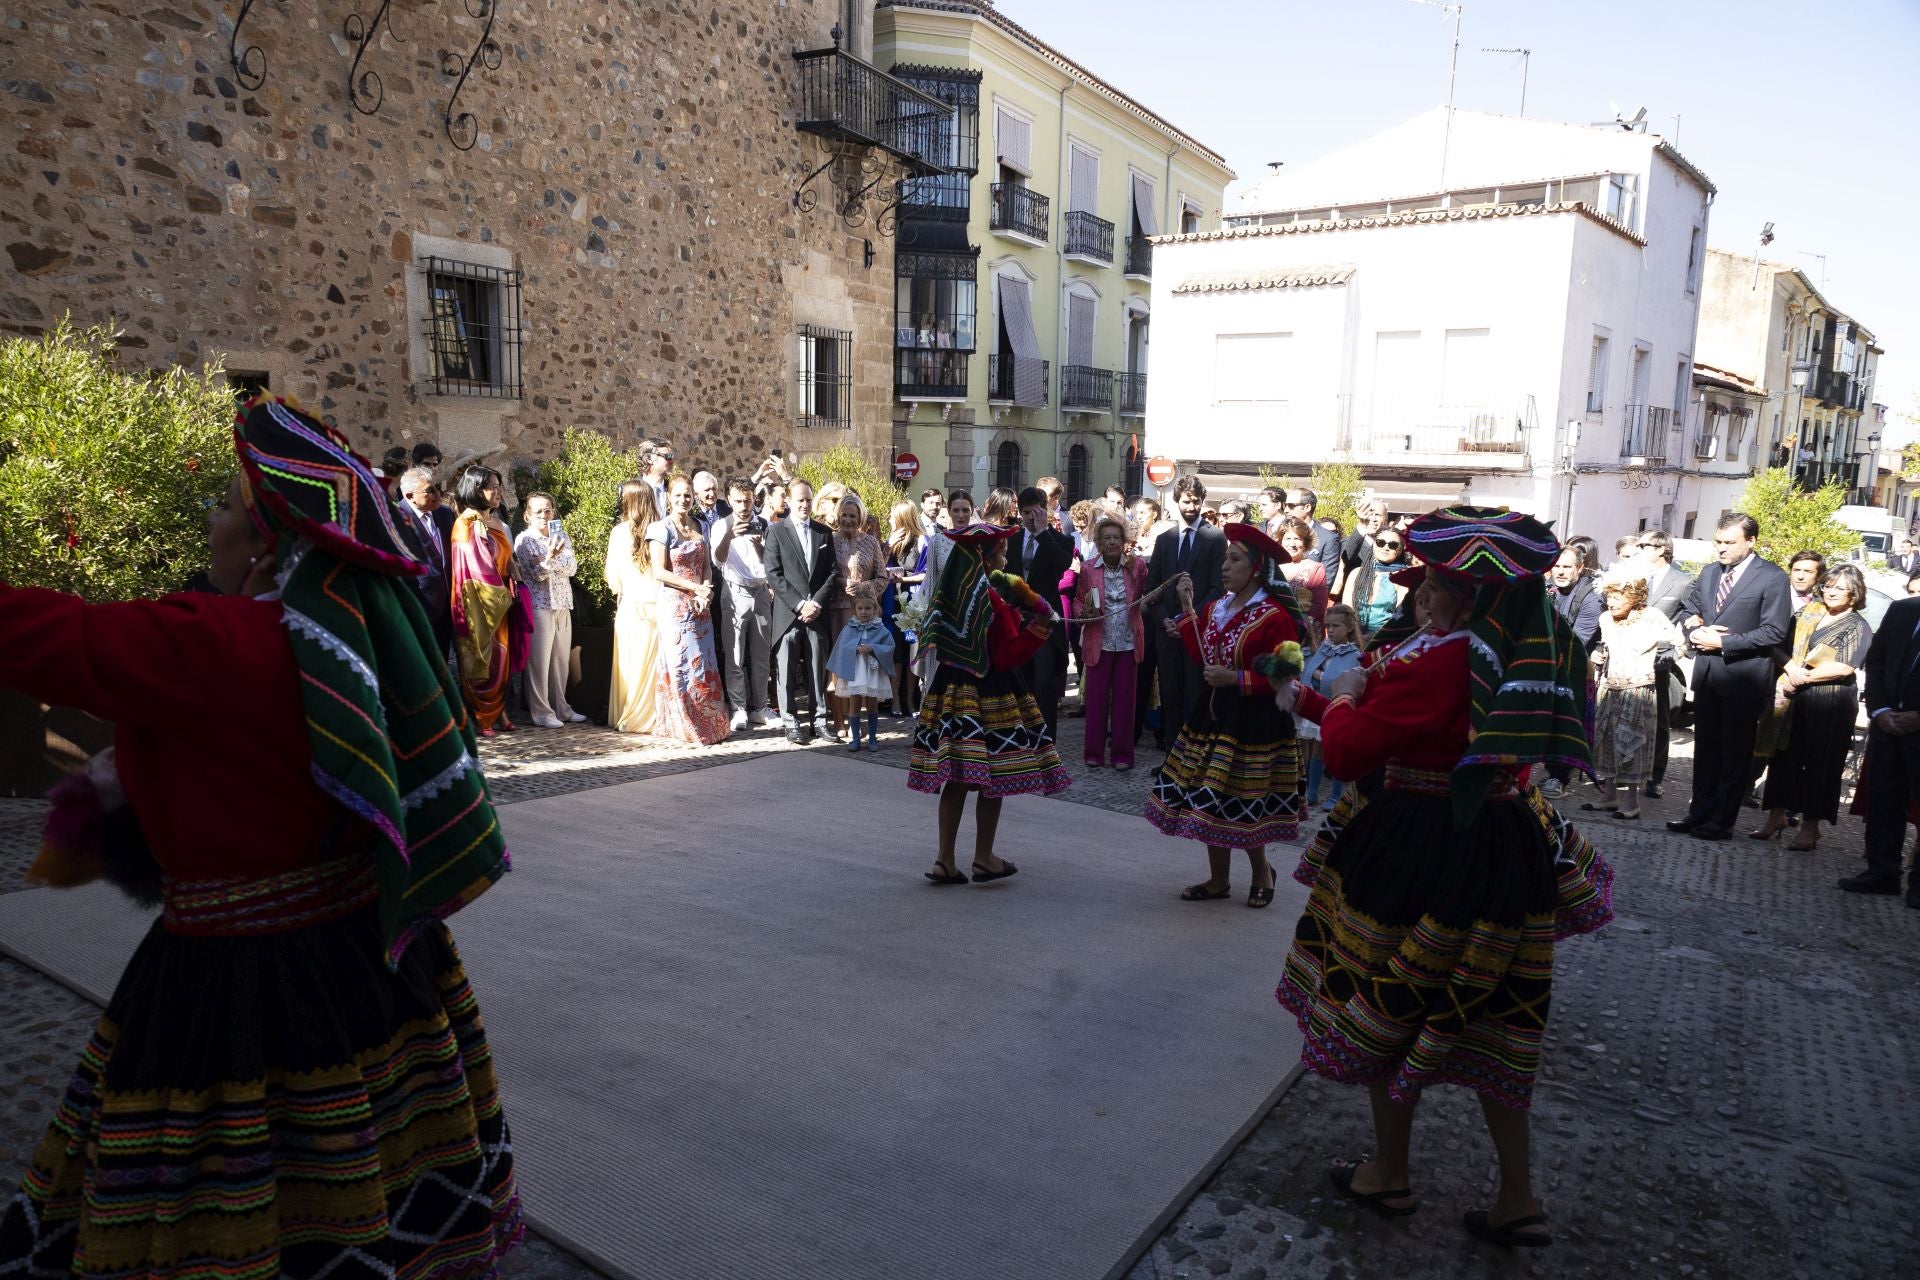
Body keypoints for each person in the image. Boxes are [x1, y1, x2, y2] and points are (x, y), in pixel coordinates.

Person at [0, 397, 522, 1275]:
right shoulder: (372, 643)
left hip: (233, 973)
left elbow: (51, 637)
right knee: (379, 1154)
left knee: (223, 1182)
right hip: (370, 960)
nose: (212, 521)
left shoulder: (218, 646)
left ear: (269, 541)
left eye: (227, 508)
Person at [1275, 505, 1613, 1251]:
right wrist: (1314, 698)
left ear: (1459, 593)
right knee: (1500, 1022)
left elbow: (1353, 749)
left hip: (1421, 843)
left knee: (1385, 999)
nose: (1421, 592)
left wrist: (1336, 700)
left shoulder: (1440, 661)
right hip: (1503, 840)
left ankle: (1389, 1172)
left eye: (1430, 580)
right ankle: (1517, 1196)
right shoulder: (1525, 643)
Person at [1146, 522, 1307, 906]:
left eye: (1234, 560)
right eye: (1224, 559)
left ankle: (1262, 872)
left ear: (1256, 568)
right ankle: (1218, 879)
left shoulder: (1274, 617)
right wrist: (1187, 609)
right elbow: (1200, 654)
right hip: (1214, 716)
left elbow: (1288, 673)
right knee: (1207, 799)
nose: (1224, 567)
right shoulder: (1215, 608)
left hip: (1255, 721)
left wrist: (1237, 678)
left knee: (1244, 802)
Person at [909, 521, 1070, 883]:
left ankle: (945, 858)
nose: (1007, 554)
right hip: (991, 691)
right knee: (993, 774)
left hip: (952, 691)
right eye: (1002, 548)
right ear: (986, 554)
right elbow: (1005, 654)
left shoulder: (954, 591)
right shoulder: (990, 598)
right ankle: (984, 856)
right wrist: (1041, 626)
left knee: (956, 777)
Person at [1668, 513, 1793, 841]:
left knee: (1734, 755)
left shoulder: (1771, 577)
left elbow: (1774, 631)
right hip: (1709, 676)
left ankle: (1722, 822)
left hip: (1744, 680)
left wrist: (1723, 642)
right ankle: (1699, 814)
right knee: (1706, 751)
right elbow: (1688, 609)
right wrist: (1695, 627)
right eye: (1718, 542)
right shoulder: (1710, 572)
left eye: (1729, 543)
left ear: (1750, 542)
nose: (1721, 549)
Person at [1754, 564, 1871, 850]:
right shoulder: (1807, 614)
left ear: (1854, 594)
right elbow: (1777, 644)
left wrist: (1801, 677)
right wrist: (1791, 669)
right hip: (1793, 699)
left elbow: (1845, 667)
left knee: (1821, 764)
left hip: (1830, 701)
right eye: (1828, 585)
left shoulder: (1858, 625)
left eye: (1839, 588)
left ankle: (1810, 828)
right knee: (1783, 759)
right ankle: (1775, 818)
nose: (1831, 592)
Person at [1585, 574, 1681, 820]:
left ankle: (1631, 801)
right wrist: (1599, 654)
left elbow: (1676, 639)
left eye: (1618, 597)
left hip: (1637, 688)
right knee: (1606, 739)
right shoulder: (1606, 618)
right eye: (1609, 597)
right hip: (1610, 685)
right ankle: (1608, 796)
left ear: (1634, 597)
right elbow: (1606, 644)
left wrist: (1661, 653)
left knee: (1632, 743)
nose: (1612, 602)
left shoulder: (1650, 617)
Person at [1848, 587, 1920, 903]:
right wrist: (1879, 710)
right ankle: (1881, 872)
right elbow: (1875, 661)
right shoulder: (1903, 611)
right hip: (1888, 726)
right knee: (1884, 802)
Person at [1144, 476, 1227, 750]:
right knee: (1170, 697)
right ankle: (1171, 756)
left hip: (1197, 631)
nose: (1192, 506)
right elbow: (1153, 588)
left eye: (1196, 501)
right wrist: (1165, 619)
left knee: (1195, 696)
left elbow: (1217, 588)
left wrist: (1188, 619)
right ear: (1176, 500)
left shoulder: (1215, 537)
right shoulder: (1165, 538)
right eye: (1186, 500)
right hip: (1167, 632)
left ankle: (1192, 757)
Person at [647, 474, 730, 746]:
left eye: (687, 495)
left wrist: (705, 589)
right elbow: (659, 571)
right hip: (674, 605)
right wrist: (693, 588)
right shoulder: (660, 529)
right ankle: (686, 725)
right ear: (669, 497)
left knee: (705, 664)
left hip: (700, 605)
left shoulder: (699, 525)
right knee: (682, 665)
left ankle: (712, 723)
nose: (683, 500)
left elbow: (706, 565)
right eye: (678, 495)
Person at [1073, 514, 1150, 770]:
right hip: (1099, 641)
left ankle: (1122, 755)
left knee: (1125, 702)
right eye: (1106, 538)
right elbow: (1078, 599)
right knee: (1095, 701)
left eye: (1116, 537)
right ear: (1099, 542)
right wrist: (1084, 613)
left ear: (1124, 540)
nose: (1112, 542)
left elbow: (1146, 593)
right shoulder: (1087, 569)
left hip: (1128, 641)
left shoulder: (1137, 566)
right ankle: (1093, 753)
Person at [766, 477, 839, 744]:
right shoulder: (776, 531)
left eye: (809, 499)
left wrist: (815, 603)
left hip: (817, 614)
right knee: (785, 671)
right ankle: (791, 722)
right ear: (789, 501)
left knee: (817, 669)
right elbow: (773, 574)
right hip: (788, 614)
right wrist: (800, 604)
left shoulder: (823, 532)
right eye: (800, 500)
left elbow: (832, 573)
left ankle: (819, 721)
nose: (805, 505)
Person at [449, 464, 520, 735]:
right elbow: (476, 566)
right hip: (479, 602)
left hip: (500, 599)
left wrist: (512, 567)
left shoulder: (495, 523)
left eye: (499, 485)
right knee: (480, 657)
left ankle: (500, 710)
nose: (498, 491)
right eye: (493, 486)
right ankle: (483, 714)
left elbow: (504, 556)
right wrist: (500, 593)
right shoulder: (464, 525)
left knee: (500, 658)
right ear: (477, 490)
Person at [513, 491, 586, 727]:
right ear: (528, 515)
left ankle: (561, 708)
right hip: (539, 604)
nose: (544, 515)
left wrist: (550, 560)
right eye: (538, 511)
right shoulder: (525, 540)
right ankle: (542, 712)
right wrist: (552, 559)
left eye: (548, 510)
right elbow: (537, 574)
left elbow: (572, 567)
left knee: (560, 661)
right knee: (540, 662)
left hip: (562, 602)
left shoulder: (560, 534)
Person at [710, 477, 773, 731]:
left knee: (761, 654)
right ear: (729, 500)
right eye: (738, 501)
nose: (744, 506)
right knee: (734, 653)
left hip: (759, 590)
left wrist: (759, 548)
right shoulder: (720, 525)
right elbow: (718, 560)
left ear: (753, 499)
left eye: (748, 500)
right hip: (734, 591)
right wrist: (729, 536)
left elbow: (770, 564)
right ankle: (737, 708)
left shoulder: (764, 524)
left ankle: (760, 707)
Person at [1013, 486, 1074, 736]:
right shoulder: (1011, 539)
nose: (1030, 518)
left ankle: (1046, 741)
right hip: (1015, 621)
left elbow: (1062, 565)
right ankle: (1020, 737)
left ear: (1045, 510)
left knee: (1044, 681)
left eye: (1035, 512)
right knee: (1019, 681)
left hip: (1045, 622)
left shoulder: (1061, 540)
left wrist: (1042, 534)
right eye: (1025, 513)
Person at [827, 493, 887, 739]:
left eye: (853, 515)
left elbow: (883, 578)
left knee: (862, 667)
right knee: (838, 667)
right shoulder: (828, 540)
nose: (848, 520)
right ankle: (839, 721)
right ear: (838, 516)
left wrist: (863, 588)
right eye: (844, 515)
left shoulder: (871, 543)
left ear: (860, 517)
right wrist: (841, 582)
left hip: (865, 615)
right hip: (837, 611)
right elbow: (822, 576)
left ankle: (858, 721)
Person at [1638, 530, 1693, 796]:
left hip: (1659, 658)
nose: (1640, 549)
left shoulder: (1681, 581)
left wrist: (1683, 649)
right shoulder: (1634, 575)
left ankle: (1655, 776)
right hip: (1629, 656)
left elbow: (1694, 616)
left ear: (1661, 549)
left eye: (1644, 545)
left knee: (1658, 718)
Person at [606, 480, 662, 734]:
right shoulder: (661, 528)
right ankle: (650, 715)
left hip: (630, 606)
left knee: (630, 666)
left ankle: (629, 714)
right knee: (651, 667)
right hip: (655, 604)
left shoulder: (619, 532)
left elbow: (612, 577)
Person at [1299, 603, 1364, 810]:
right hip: (1319, 707)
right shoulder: (1324, 648)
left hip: (1338, 708)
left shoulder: (1353, 654)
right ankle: (1312, 791)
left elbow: (1340, 680)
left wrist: (1319, 676)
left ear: (1349, 628)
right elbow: (1308, 672)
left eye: (1336, 626)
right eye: (1329, 626)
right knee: (1315, 751)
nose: (1331, 630)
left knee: (1333, 751)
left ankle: (1336, 795)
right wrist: (1316, 675)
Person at [828, 584, 896, 751]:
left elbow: (889, 647)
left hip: (872, 671)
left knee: (872, 703)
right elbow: (841, 648)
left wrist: (874, 648)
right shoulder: (849, 628)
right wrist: (855, 648)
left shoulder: (880, 628)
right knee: (855, 703)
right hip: (855, 671)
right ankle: (856, 739)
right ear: (854, 609)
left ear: (874, 609)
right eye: (860, 608)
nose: (864, 611)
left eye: (868, 608)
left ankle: (872, 738)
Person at [397, 465, 453, 659]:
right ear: (409, 496)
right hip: (420, 608)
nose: (437, 494)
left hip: (449, 606)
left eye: (436, 487)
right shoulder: (395, 520)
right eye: (429, 491)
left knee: (443, 662)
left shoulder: (445, 515)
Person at [885, 499, 927, 715]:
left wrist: (904, 580)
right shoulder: (890, 541)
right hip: (892, 601)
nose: (891, 519)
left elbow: (927, 572)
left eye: (894, 516)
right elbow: (879, 566)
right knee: (896, 652)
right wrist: (888, 545)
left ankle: (910, 699)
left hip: (913, 601)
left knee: (913, 651)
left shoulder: (921, 541)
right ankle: (895, 701)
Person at [1341, 519, 1409, 634]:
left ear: (1400, 549)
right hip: (1353, 635)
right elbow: (1347, 610)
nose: (1385, 548)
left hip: (1384, 638)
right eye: (1380, 542)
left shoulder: (1402, 577)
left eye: (1393, 545)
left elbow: (1400, 617)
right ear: (1374, 545)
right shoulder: (1356, 573)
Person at [1548, 545, 1602, 650]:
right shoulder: (1548, 588)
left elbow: (1576, 644)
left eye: (1567, 567)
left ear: (1579, 567)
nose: (1560, 572)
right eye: (1556, 566)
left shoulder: (1591, 597)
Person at [1277, 517, 1330, 624]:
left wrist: (1303, 626)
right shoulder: (1272, 567)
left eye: (1297, 539)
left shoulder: (1314, 568)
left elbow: (1319, 605)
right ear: (1281, 541)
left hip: (1303, 629)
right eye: (1288, 539)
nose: (1292, 544)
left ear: (1305, 542)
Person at [1338, 498, 1389, 595]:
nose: (1372, 519)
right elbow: (1346, 558)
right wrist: (1362, 524)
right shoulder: (1350, 541)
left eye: (1377, 515)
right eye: (1369, 514)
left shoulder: (1390, 546)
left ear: (1385, 520)